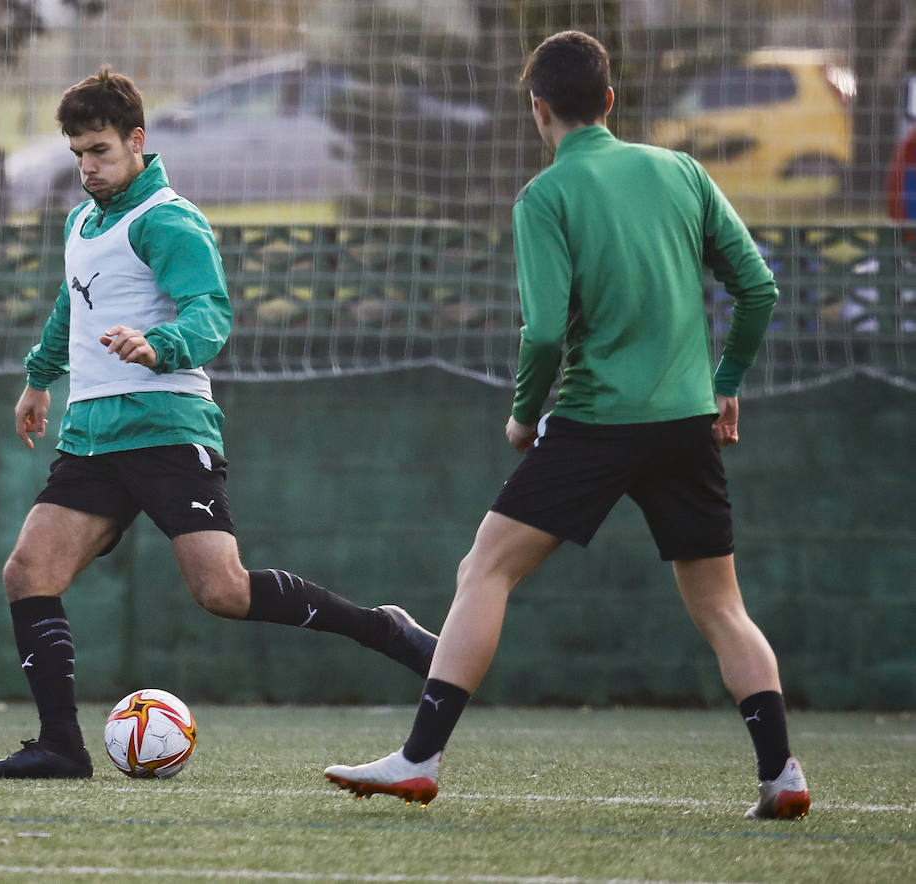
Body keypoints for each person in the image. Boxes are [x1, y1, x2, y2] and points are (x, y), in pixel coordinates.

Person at [322, 31, 810, 820]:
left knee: (485, 571)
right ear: (611, 101)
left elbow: (544, 330)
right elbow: (757, 288)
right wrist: (726, 384)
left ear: (537, 109)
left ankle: (419, 758)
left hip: (593, 423)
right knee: (723, 607)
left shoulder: (546, 195)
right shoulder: (680, 169)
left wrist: (523, 415)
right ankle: (782, 773)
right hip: (686, 421)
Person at [0, 66, 437, 779]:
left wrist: (162, 346)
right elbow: (73, 306)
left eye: (99, 150)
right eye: (77, 154)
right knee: (28, 572)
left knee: (223, 591)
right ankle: (61, 746)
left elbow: (210, 314)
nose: (88, 167)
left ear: (136, 141)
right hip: (91, 438)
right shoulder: (82, 220)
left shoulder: (169, 219)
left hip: (164, 428)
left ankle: (384, 628)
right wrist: (37, 380)